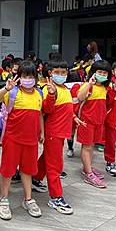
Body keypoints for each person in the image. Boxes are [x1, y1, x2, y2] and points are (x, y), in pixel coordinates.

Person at [0, 61, 44, 220]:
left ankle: (28, 199)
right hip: (13, 139)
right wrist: (6, 88)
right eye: (24, 76)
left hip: (31, 141)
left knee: (28, 170)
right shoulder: (13, 92)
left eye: (30, 76)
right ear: (19, 77)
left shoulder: (39, 94)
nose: (27, 79)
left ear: (35, 78)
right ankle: (3, 199)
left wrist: (41, 131)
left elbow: (40, 114)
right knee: (7, 171)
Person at [32, 61, 78, 214]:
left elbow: (66, 108)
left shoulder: (65, 88)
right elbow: (46, 109)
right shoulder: (49, 89)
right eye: (57, 72)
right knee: (55, 165)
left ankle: (36, 178)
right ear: (50, 73)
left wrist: (73, 117)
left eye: (63, 72)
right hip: (53, 132)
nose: (61, 75)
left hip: (61, 132)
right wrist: (51, 95)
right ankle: (56, 197)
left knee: (48, 158)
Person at [76, 61, 110, 188]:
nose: (102, 74)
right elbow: (79, 97)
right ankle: (89, 173)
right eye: (99, 72)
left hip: (98, 122)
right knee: (87, 147)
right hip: (86, 122)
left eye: (104, 72)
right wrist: (89, 84)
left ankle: (87, 167)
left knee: (92, 145)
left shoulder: (104, 88)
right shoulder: (88, 85)